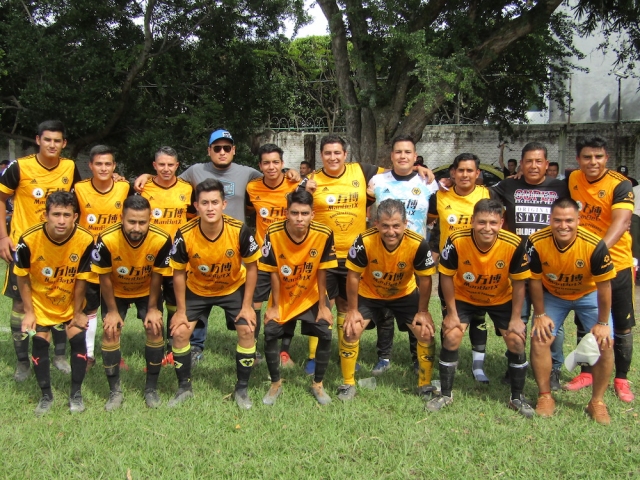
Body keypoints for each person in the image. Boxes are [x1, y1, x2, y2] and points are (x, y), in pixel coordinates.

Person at [426, 199, 533, 417]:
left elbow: (520, 282)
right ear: (473, 221)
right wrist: (452, 314)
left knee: (516, 339)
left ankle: (517, 397)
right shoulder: (456, 240)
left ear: (501, 222)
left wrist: (515, 318)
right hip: (464, 296)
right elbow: (445, 275)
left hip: (500, 298)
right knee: (452, 335)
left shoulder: (514, 243)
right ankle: (445, 394)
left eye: (493, 222)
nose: (487, 227)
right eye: (481, 222)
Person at [0, 120, 81, 381]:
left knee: (59, 297)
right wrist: (3, 236)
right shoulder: (20, 167)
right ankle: (23, 362)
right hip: (24, 247)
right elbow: (1, 200)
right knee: (21, 303)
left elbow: (80, 195)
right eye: (48, 140)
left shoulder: (69, 167)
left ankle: (58, 355)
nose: (52, 145)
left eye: (57, 141)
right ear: (38, 140)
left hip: (59, 247)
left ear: (64, 143)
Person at [169, 179, 260, 409]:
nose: (210, 208)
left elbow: (252, 267)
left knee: (247, 328)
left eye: (215, 202)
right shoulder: (185, 233)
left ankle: (241, 389)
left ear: (224, 204)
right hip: (197, 289)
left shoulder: (239, 229)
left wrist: (247, 305)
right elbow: (178, 272)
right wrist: (180, 311)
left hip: (231, 287)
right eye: (205, 203)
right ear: (196, 206)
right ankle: (184, 388)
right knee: (179, 333)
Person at [527, 198, 615, 423]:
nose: (563, 225)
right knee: (539, 339)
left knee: (606, 343)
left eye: (569, 220)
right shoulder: (536, 242)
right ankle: (545, 395)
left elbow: (605, 287)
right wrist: (539, 314)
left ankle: (597, 401)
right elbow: (535, 281)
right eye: (557, 220)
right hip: (554, 295)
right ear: (550, 220)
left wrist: (603, 324)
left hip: (589, 295)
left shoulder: (594, 245)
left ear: (578, 220)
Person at [339, 199, 437, 401]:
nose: (390, 231)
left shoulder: (418, 243)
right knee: (351, 330)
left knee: (425, 333)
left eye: (395, 226)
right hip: (370, 294)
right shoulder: (363, 241)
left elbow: (425, 280)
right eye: (385, 225)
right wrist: (352, 310)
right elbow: (353, 276)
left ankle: (424, 384)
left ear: (405, 224)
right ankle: (347, 384)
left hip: (404, 294)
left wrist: (423, 311)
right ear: (376, 223)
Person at [491, 142, 570, 390]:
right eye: (528, 161)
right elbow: (484, 194)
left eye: (539, 161)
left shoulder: (562, 188)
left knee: (550, 322)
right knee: (518, 320)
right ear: (521, 165)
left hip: (551, 269)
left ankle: (554, 369)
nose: (534, 166)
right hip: (518, 268)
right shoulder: (508, 185)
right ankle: (516, 364)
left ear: (547, 165)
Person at [304, 135, 385, 375]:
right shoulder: (312, 179)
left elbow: (396, 173)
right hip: (324, 254)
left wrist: (420, 169)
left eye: (337, 153)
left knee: (347, 305)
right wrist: (297, 182)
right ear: (321, 156)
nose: (332, 157)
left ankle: (344, 354)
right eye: (327, 153)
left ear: (345, 154)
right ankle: (313, 357)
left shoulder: (360, 171)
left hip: (355, 255)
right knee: (322, 304)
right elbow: (293, 203)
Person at [566, 136, 635, 402]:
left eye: (598, 157)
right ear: (578, 160)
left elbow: (621, 222)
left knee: (622, 325)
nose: (593, 162)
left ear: (607, 158)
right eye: (587, 157)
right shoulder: (573, 180)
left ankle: (621, 378)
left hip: (616, 265)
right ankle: (587, 372)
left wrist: (598, 251)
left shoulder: (620, 184)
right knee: (586, 322)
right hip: (584, 268)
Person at [15, 191, 94, 415]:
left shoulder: (86, 240)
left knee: (77, 338)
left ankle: (76, 395)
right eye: (56, 214)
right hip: (40, 301)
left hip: (70, 299)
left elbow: (81, 280)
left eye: (66, 215)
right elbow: (22, 277)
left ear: (75, 216)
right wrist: (29, 312)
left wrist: (78, 312)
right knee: (40, 342)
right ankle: (46, 396)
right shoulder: (28, 239)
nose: (61, 220)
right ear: (45, 215)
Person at [366, 135, 439, 374]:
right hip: (384, 251)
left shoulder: (428, 182)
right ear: (391, 156)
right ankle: (384, 356)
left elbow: (437, 215)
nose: (403, 156)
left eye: (408, 152)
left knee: (416, 307)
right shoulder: (377, 180)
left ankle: (417, 358)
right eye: (398, 152)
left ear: (415, 156)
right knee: (385, 308)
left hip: (415, 253)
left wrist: (434, 247)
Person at [91, 196, 172, 410]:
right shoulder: (106, 239)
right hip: (115, 291)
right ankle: (115, 391)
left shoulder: (162, 239)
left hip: (146, 289)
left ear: (150, 219)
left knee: (155, 328)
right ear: (122, 218)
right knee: (110, 331)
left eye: (142, 222)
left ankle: (151, 389)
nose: (137, 228)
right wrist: (111, 310)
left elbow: (157, 276)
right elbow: (104, 277)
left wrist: (153, 308)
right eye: (131, 222)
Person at [259, 190, 337, 405]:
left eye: (304, 213)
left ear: (313, 214)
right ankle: (275, 383)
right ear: (287, 213)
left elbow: (323, 271)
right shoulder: (273, 232)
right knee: (271, 331)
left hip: (311, 295)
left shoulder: (324, 233)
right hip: (284, 295)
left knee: (325, 331)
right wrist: (274, 305)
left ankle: (318, 384)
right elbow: (273, 271)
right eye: (295, 213)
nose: (299, 219)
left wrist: (323, 305)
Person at [427, 154, 493, 383]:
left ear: (477, 174)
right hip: (451, 271)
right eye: (460, 170)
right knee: (451, 318)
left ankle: (478, 366)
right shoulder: (440, 196)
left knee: (478, 318)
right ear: (452, 173)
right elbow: (431, 223)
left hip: (481, 268)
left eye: (470, 170)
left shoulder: (488, 194)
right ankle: (449, 362)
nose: (465, 175)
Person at [74, 145, 132, 369]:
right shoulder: (79, 189)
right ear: (90, 166)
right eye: (99, 164)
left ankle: (114, 355)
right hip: (87, 255)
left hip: (115, 255)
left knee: (112, 307)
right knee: (88, 307)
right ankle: (86, 355)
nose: (104, 168)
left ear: (114, 166)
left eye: (108, 164)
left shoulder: (124, 187)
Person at [246, 144, 301, 367]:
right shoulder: (252, 187)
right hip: (263, 256)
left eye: (275, 162)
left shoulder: (295, 184)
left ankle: (284, 351)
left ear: (282, 163)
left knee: (286, 303)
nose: (271, 167)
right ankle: (253, 349)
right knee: (255, 304)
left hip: (290, 256)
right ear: (260, 166)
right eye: (266, 163)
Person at [139, 146, 193, 365]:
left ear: (177, 166)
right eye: (161, 164)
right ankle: (155, 344)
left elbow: (193, 219)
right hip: (149, 255)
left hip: (176, 257)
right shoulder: (143, 187)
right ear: (154, 166)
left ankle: (172, 345)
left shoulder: (188, 188)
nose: (166, 169)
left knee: (175, 303)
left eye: (171, 165)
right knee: (152, 303)